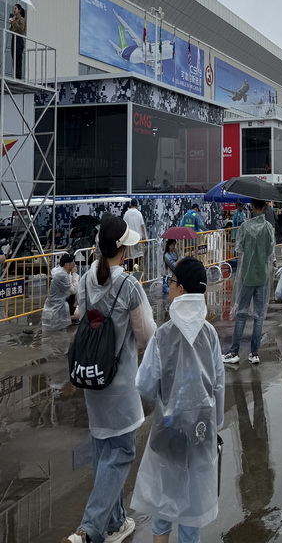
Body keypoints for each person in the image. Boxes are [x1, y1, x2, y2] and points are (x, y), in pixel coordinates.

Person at [61, 214, 156, 543]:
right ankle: (88, 531)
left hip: (91, 379)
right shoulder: (129, 285)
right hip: (119, 384)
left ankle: (115, 522)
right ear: (123, 251)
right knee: (122, 453)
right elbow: (146, 336)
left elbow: (83, 317)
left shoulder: (87, 278)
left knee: (104, 451)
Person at [131, 258, 224, 543]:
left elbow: (144, 384)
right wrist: (214, 424)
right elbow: (218, 384)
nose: (168, 288)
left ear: (181, 290)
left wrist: (164, 400)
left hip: (169, 431)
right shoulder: (210, 335)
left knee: (164, 496)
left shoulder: (163, 335)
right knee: (192, 506)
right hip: (200, 432)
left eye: (171, 283)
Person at [223, 199, 276, 365]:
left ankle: (234, 351)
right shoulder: (268, 228)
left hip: (247, 276)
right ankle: (254, 353)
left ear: (253, 207)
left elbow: (239, 248)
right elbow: (270, 252)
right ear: (265, 207)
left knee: (242, 313)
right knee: (259, 315)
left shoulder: (245, 227)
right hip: (262, 275)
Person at [41, 252, 78, 331]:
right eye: (72, 262)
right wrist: (75, 274)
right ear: (66, 265)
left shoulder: (65, 273)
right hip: (56, 304)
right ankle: (71, 316)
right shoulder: (61, 276)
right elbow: (73, 290)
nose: (74, 264)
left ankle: (71, 316)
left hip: (62, 301)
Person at [10, 2, 26, 80]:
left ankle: (18, 76)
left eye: (15, 8)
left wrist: (14, 22)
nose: (14, 10)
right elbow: (12, 30)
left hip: (19, 40)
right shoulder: (15, 19)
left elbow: (21, 29)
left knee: (18, 58)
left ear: (19, 10)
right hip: (14, 39)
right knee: (14, 57)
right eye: (13, 8)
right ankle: (15, 75)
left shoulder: (21, 19)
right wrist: (11, 24)